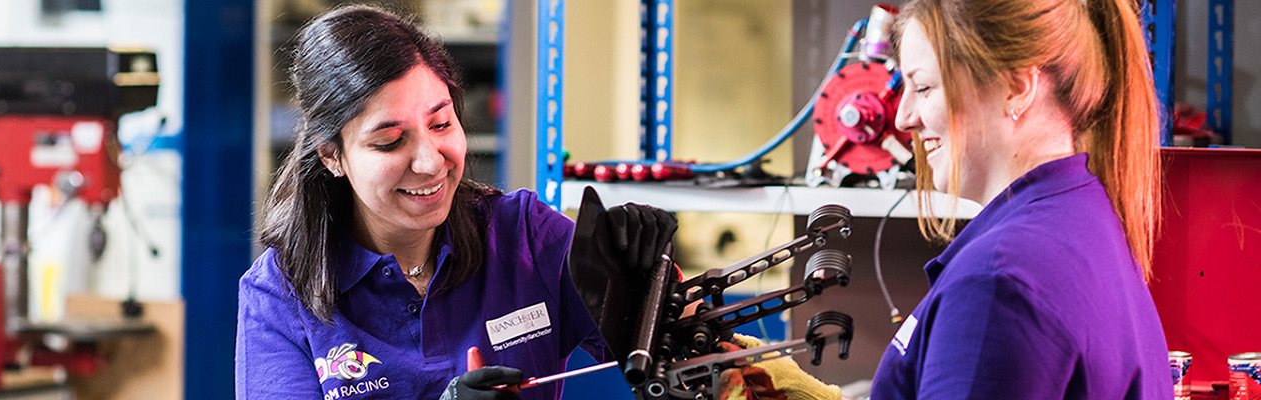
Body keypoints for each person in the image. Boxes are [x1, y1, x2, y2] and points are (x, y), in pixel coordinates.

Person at [722, 0, 1171, 398]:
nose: (904, 117)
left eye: (924, 87)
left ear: (1017, 87)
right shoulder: (1079, 217)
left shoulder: (999, 283)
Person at [234, 5, 676, 400]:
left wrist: (643, 275)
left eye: (441, 124)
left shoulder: (525, 236)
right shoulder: (280, 294)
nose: (430, 162)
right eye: (390, 142)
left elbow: (681, 353)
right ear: (332, 155)